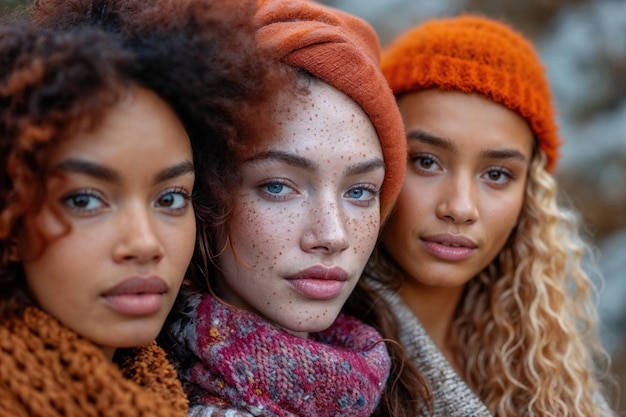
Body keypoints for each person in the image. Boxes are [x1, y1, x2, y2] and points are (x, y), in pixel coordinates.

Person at [0, 0, 280, 415]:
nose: (145, 243)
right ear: (12, 218)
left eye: (170, 199)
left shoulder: (166, 392)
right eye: (85, 200)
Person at [159, 0, 430, 416]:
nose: (332, 235)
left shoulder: (402, 380)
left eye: (359, 192)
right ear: (207, 196)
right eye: (278, 186)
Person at [362, 14, 614, 416]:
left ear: (529, 195)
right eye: (426, 161)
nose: (460, 208)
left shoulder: (542, 362)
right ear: (377, 160)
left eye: (497, 174)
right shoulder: (321, 351)